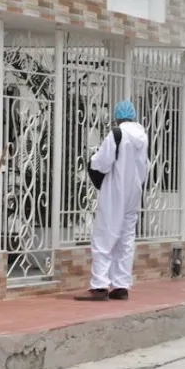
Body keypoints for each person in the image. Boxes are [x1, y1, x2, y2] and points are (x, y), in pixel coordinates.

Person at [75, 100, 149, 302]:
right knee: (126, 240)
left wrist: (92, 160)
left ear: (117, 116)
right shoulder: (143, 136)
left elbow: (102, 162)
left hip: (115, 190)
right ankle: (121, 286)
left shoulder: (117, 134)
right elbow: (145, 166)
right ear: (133, 116)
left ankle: (99, 286)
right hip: (134, 193)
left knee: (104, 237)